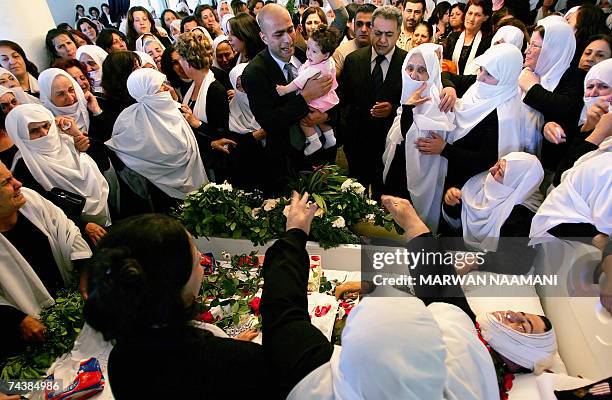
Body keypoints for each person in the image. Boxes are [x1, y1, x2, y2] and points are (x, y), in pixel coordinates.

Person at [259, 191, 557, 399]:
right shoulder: (471, 347)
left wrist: (295, 233)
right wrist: (415, 227)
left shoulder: (315, 375)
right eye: (524, 315)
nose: (515, 316)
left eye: (524, 327)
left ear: (518, 362)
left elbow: (283, 313)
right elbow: (443, 295)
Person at [83, 213, 279, 398]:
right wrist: (231, 352)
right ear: (174, 281)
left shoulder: (121, 360)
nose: (203, 259)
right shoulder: (238, 362)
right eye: (194, 255)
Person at [0, 161, 92, 360]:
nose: (18, 184)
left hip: (71, 305)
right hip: (31, 340)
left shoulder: (30, 200)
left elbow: (67, 230)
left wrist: (85, 269)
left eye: (12, 176)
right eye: (6, 183)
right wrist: (16, 319)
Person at [241, 3, 333, 195]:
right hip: (283, 165)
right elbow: (270, 121)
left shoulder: (306, 54)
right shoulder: (254, 73)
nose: (287, 39)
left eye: (290, 30)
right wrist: (306, 96)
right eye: (278, 34)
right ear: (263, 37)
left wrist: (324, 117)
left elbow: (335, 98)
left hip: (319, 156)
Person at [5, 104, 110, 242]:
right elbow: (43, 207)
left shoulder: (68, 140)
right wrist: (82, 224)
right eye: (34, 131)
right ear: (20, 136)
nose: (44, 133)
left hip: (106, 213)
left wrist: (76, 134)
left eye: (46, 125)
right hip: (76, 232)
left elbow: (104, 163)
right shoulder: (24, 167)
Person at [439, 43, 525, 211]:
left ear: (506, 77)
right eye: (481, 69)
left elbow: (486, 160)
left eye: (489, 74)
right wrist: (449, 87)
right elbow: (445, 75)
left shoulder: (503, 116)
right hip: (451, 168)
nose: (480, 77)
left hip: (470, 185)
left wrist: (444, 149)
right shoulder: (480, 85)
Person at [106, 68, 208, 208]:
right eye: (159, 86)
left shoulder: (175, 110)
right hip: (159, 194)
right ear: (145, 92)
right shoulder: (128, 122)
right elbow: (124, 152)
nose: (167, 88)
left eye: (164, 83)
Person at [383, 43, 455, 230]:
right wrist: (406, 107)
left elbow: (414, 139)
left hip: (419, 182)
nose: (413, 75)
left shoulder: (438, 106)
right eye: (410, 68)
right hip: (397, 173)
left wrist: (408, 109)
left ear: (432, 73)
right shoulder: (404, 96)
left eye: (422, 70)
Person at [341, 5, 408, 199]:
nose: (383, 40)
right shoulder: (354, 60)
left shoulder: (408, 64)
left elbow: (414, 105)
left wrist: (393, 109)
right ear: (370, 29)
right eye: (378, 33)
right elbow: (343, 100)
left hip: (390, 146)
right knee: (354, 197)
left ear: (398, 33)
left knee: (386, 199)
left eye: (389, 34)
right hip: (356, 145)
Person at [442, 152, 544, 275]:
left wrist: (475, 261)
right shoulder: (478, 183)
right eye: (497, 163)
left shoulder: (521, 217)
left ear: (515, 184)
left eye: (500, 172)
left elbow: (516, 261)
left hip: (495, 272)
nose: (491, 170)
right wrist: (450, 201)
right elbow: (456, 220)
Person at [520, 18, 585, 181]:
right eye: (529, 44)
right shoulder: (526, 72)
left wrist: (532, 88)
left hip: (549, 167)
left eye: (534, 46)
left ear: (554, 50)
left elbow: (564, 109)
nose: (527, 51)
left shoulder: (575, 77)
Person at [276, 25, 339, 156]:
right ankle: (330, 137)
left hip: (316, 100)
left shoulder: (314, 68)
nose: (309, 53)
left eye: (314, 51)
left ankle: (314, 141)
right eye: (308, 48)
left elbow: (298, 82)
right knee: (320, 119)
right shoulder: (328, 61)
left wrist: (285, 89)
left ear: (326, 54)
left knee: (304, 120)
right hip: (326, 100)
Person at [549, 58, 612, 186]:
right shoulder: (584, 125)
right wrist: (588, 128)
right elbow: (561, 175)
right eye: (589, 86)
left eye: (603, 86)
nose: (593, 93)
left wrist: (598, 133)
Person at [443, 0, 492, 75]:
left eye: (477, 15)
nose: (471, 19)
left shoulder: (488, 42)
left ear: (485, 18)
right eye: (470, 13)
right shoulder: (452, 38)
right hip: (449, 84)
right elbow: (445, 66)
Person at [333, 4, 376, 76]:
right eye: (359, 24)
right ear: (354, 25)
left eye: (369, 25)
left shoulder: (384, 50)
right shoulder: (341, 52)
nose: (363, 29)